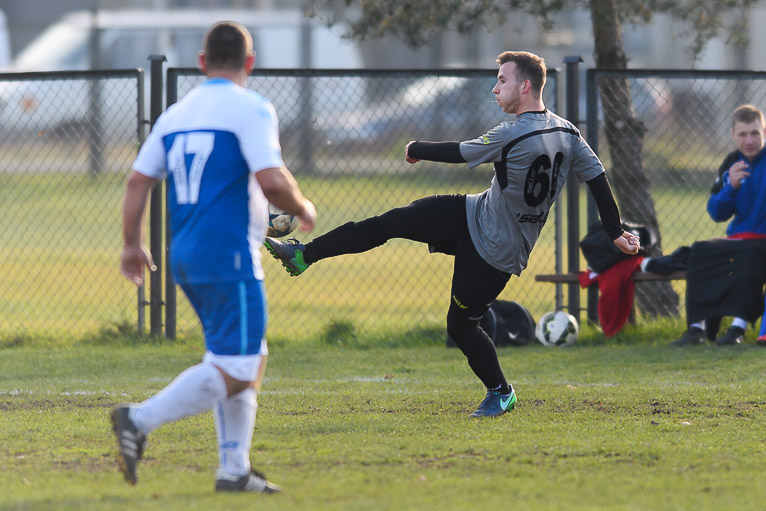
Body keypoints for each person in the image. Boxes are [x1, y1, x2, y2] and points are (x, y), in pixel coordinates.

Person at [264, 51, 640, 418]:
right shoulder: (569, 132)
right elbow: (597, 178)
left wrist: (416, 148)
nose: (495, 89)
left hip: (497, 249)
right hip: (473, 212)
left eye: (502, 80)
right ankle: (303, 255)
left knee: (460, 327)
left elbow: (462, 152)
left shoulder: (513, 133)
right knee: (390, 222)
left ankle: (502, 392)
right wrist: (615, 231)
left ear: (525, 87)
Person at [112, 21, 316, 492]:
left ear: (202, 63)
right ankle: (137, 420)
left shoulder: (176, 114)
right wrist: (302, 205)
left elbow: (138, 181)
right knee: (240, 368)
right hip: (229, 255)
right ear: (250, 62)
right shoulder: (251, 107)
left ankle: (234, 470)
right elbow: (271, 178)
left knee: (245, 356)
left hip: (185, 252)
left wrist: (131, 243)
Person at [671, 104, 766, 347]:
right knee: (699, 252)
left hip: (760, 243)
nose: (749, 140)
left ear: (764, 132)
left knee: (750, 254)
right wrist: (730, 187)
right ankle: (697, 329)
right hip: (738, 240)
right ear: (733, 135)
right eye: (743, 134)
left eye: (754, 133)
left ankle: (737, 328)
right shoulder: (730, 164)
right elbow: (716, 213)